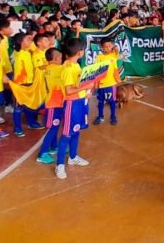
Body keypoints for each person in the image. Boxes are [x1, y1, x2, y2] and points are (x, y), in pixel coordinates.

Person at [55, 38, 91, 179]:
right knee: (67, 134)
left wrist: (86, 92)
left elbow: (78, 85)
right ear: (79, 52)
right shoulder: (69, 68)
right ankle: (60, 165)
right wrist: (85, 87)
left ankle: (73, 157)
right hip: (72, 104)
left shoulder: (75, 66)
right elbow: (69, 90)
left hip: (80, 101)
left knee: (76, 131)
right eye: (83, 49)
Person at [11, 32, 43, 136]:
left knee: (30, 104)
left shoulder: (28, 52)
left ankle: (31, 122)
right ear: (21, 42)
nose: (30, 42)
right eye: (28, 40)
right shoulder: (19, 55)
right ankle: (17, 128)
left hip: (30, 82)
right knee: (18, 107)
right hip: (20, 85)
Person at [37, 48, 65, 165]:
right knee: (53, 129)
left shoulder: (46, 68)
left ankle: (53, 147)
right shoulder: (60, 69)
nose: (62, 59)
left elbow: (40, 68)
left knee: (55, 126)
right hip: (55, 104)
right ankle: (42, 154)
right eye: (61, 57)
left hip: (52, 103)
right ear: (56, 59)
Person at [93, 38, 121, 126]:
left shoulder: (114, 55)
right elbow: (97, 71)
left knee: (112, 101)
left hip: (111, 84)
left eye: (110, 46)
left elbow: (117, 51)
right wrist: (96, 83)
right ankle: (100, 116)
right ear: (102, 47)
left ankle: (113, 116)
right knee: (101, 101)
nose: (108, 48)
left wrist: (115, 48)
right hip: (101, 84)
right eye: (106, 47)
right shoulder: (99, 57)